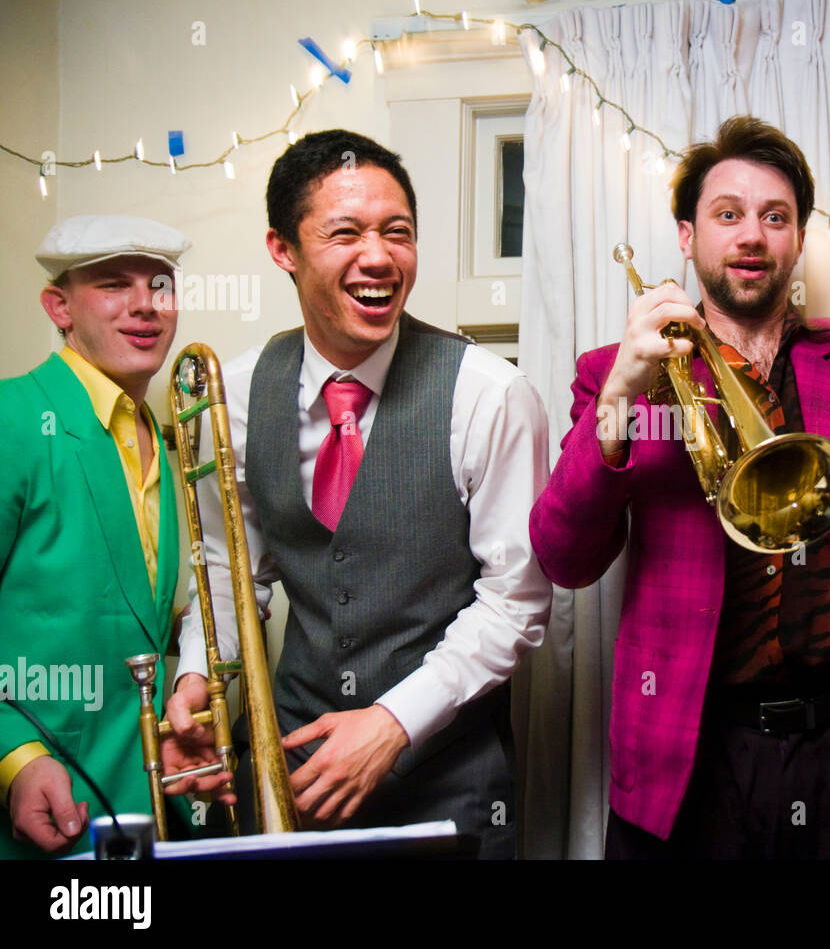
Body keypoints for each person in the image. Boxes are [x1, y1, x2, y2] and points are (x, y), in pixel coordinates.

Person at [530, 116, 830, 858]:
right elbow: (565, 558)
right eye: (728, 215)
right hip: (692, 743)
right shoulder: (620, 372)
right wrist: (620, 394)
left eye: (775, 217)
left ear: (798, 240)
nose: (752, 235)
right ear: (687, 236)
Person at [165, 130, 551, 858]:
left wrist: (393, 723)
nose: (378, 257)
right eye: (345, 232)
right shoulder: (237, 394)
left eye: (397, 233)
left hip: (449, 782)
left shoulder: (491, 394)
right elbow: (226, 572)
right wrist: (195, 682)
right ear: (283, 249)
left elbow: (517, 600)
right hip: (292, 767)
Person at [0, 215, 189, 856]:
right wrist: (13, 759)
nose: (144, 305)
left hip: (146, 815)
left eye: (160, 285)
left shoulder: (164, 444)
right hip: (40, 822)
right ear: (59, 307)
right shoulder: (13, 418)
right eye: (113, 285)